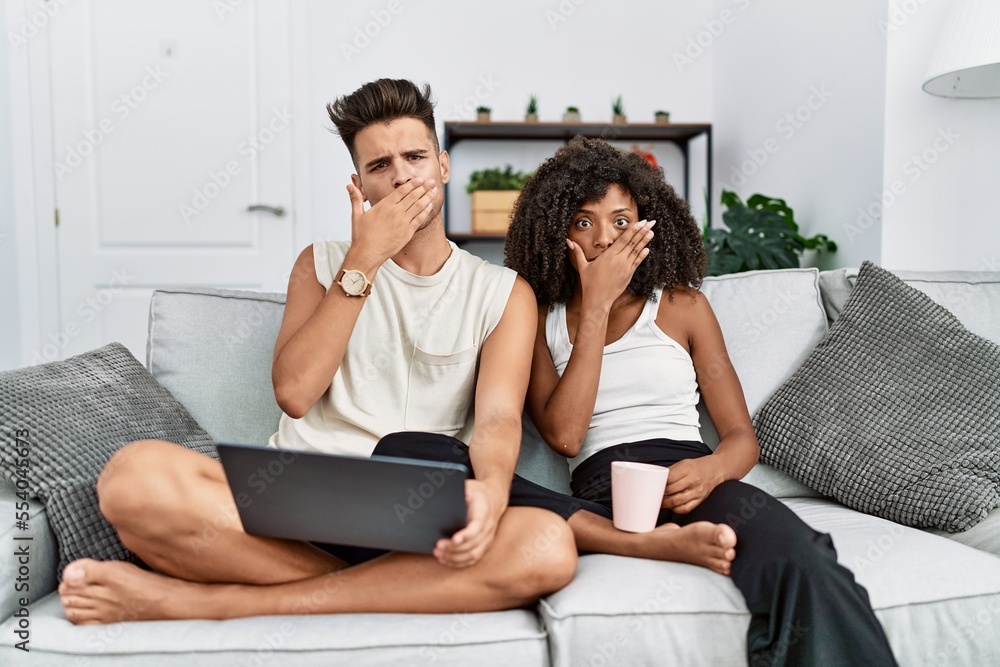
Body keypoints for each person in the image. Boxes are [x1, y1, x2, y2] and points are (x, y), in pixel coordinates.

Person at [57, 78, 579, 625]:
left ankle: (217, 602)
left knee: (547, 544)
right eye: (380, 166)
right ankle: (379, 589)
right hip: (297, 510)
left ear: (443, 166)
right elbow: (295, 393)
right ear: (360, 186)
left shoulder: (503, 292)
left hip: (418, 517)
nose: (402, 176)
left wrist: (492, 493)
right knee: (132, 478)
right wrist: (364, 261)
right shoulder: (321, 264)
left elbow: (498, 419)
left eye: (415, 157)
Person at [504, 136, 898, 666]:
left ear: (647, 226)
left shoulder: (683, 306)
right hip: (602, 497)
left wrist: (711, 471)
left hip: (694, 481)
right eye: (583, 222)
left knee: (803, 555)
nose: (604, 239)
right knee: (492, 486)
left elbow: (741, 439)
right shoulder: (537, 317)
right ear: (557, 232)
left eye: (621, 220)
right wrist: (595, 305)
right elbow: (566, 435)